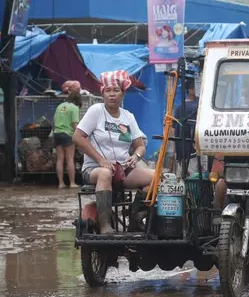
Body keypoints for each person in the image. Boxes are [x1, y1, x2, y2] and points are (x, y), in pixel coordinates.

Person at [73, 70, 155, 234]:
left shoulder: (128, 116)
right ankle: (105, 226)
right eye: (108, 91)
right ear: (102, 93)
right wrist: (101, 159)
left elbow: (140, 145)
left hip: (122, 169)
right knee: (105, 173)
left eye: (116, 90)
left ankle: (135, 220)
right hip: (94, 169)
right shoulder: (96, 111)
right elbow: (78, 137)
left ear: (123, 93)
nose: (112, 95)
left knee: (156, 177)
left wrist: (136, 156)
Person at [173, 78, 205, 176]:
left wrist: (175, 150)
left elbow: (173, 129)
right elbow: (193, 129)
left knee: (181, 178)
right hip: (192, 150)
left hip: (181, 150)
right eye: (197, 88)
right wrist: (196, 146)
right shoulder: (197, 106)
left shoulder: (179, 107)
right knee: (194, 177)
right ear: (190, 90)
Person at [53, 91, 82, 189]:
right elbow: (75, 125)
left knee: (60, 159)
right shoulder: (74, 108)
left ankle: (61, 183)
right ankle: (72, 183)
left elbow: (54, 120)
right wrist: (81, 136)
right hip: (68, 134)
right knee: (70, 159)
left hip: (57, 133)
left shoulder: (60, 106)